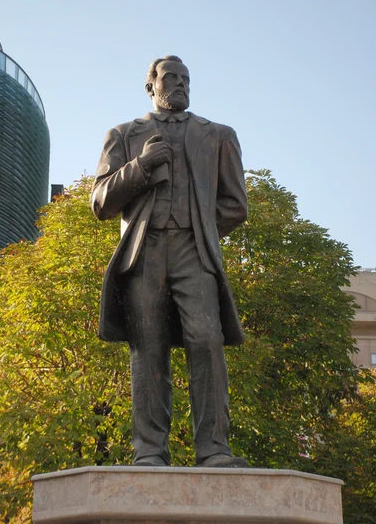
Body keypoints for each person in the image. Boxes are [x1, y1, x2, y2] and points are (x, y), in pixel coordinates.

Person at [91, 55, 248, 467]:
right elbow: (101, 203)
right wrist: (141, 166)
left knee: (207, 341)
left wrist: (199, 226)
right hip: (143, 253)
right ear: (151, 86)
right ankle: (149, 452)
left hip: (194, 251)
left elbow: (235, 205)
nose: (179, 84)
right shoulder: (124, 134)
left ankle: (214, 449)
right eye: (170, 77)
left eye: (185, 78)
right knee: (148, 348)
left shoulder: (218, 136)